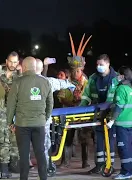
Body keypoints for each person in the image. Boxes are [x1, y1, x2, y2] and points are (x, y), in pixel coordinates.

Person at [7, 56, 53, 180]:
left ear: (24, 67)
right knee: (40, 153)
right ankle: (43, 177)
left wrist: (10, 122)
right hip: (39, 124)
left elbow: (11, 105)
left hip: (22, 125)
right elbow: (50, 103)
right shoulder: (45, 82)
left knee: (23, 154)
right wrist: (44, 117)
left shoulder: (17, 82)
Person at [80, 54, 120, 174]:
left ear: (108, 64)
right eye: (97, 65)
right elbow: (86, 95)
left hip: (111, 113)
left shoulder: (116, 78)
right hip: (97, 112)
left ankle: (109, 165)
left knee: (110, 139)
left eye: (101, 65)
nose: (99, 67)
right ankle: (99, 165)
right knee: (99, 140)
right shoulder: (93, 78)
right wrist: (81, 108)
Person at [57, 33, 91, 168]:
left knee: (84, 137)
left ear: (82, 69)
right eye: (74, 70)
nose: (76, 72)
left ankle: (85, 161)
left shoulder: (87, 81)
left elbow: (89, 97)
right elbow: (61, 95)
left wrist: (81, 102)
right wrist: (70, 103)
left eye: (79, 70)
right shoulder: (66, 81)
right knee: (67, 137)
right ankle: (65, 161)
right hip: (69, 111)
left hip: (83, 113)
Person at [35, 58, 75, 171]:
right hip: (43, 119)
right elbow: (66, 84)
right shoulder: (49, 82)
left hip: (26, 119)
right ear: (41, 68)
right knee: (44, 142)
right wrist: (72, 86)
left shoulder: (21, 82)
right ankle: (45, 165)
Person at [109, 66, 132, 180]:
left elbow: (118, 106)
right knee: (130, 148)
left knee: (124, 149)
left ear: (122, 76)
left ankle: (126, 172)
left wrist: (112, 120)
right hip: (130, 123)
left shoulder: (121, 89)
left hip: (122, 124)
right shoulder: (129, 88)